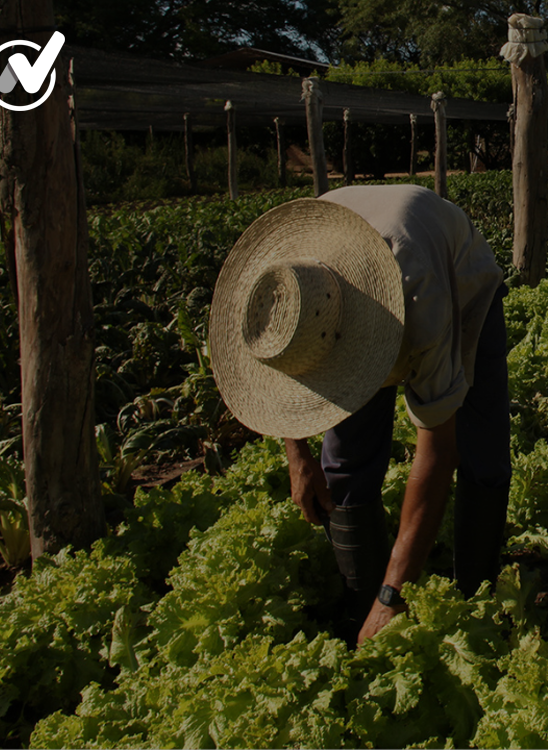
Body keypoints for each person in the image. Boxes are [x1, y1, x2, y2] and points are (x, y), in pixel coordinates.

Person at [210, 184, 511, 646]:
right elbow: (288, 372)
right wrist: (298, 455)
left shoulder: (422, 300)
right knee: (346, 463)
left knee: (482, 452)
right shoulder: (286, 283)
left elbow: (437, 450)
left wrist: (394, 594)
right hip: (348, 287)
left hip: (458, 280)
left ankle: (474, 600)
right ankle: (362, 610)